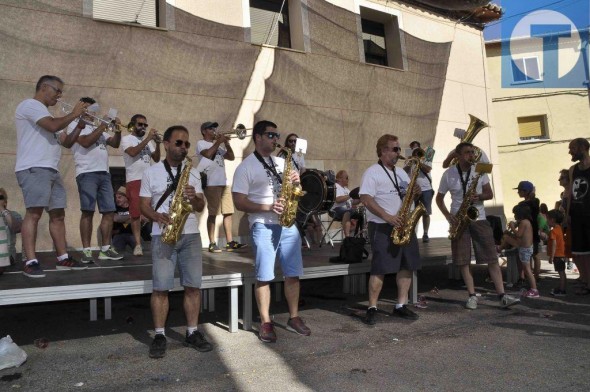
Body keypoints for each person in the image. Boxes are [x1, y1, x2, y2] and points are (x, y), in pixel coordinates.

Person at [232, 120, 311, 342]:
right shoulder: (245, 167)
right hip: (263, 224)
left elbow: (296, 191)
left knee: (293, 273)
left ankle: (294, 317)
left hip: (286, 224)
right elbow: (239, 202)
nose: (275, 139)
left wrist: (296, 182)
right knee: (264, 275)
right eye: (270, 135)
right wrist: (268, 207)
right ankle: (266, 321)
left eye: (277, 135)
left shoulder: (281, 163)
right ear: (257, 137)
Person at [139, 125, 212, 358]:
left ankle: (192, 332)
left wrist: (195, 198)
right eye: (179, 143)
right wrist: (155, 216)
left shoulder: (192, 172)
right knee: (161, 287)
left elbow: (201, 207)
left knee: (193, 286)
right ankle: (159, 335)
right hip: (163, 234)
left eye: (187, 144)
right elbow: (143, 205)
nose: (183, 147)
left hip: (189, 233)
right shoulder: (152, 172)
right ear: (167, 144)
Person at [15, 75, 90, 278]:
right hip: (34, 167)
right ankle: (30, 260)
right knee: (34, 213)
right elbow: (53, 126)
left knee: (58, 214)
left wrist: (80, 125)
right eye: (58, 91)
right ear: (44, 87)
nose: (60, 95)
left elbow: (66, 142)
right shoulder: (30, 105)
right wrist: (74, 114)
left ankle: (62, 258)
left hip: (51, 169)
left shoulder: (48, 114)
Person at [436, 142, 520, 310]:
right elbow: (439, 198)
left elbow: (490, 193)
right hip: (459, 221)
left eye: (472, 152)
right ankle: (472, 295)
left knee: (491, 257)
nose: (471, 155)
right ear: (458, 156)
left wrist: (479, 196)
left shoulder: (480, 170)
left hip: (479, 218)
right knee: (463, 260)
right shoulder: (449, 174)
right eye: (467, 153)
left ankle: (502, 295)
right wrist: (448, 216)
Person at [359, 134, 421, 325]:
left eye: (399, 149)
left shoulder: (402, 173)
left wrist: (415, 192)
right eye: (395, 149)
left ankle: (401, 305)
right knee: (380, 268)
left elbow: (407, 196)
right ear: (383, 150)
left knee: (406, 266)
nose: (398, 153)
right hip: (383, 225)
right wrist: (388, 217)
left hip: (404, 225)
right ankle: (372, 307)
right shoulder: (372, 172)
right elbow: (366, 199)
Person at [65, 98, 123, 263]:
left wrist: (117, 130)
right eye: (89, 109)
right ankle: (87, 251)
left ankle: (105, 249)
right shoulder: (75, 125)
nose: (92, 113)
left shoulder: (98, 128)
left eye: (93, 110)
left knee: (109, 211)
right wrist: (104, 124)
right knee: (88, 211)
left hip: (104, 173)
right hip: (87, 173)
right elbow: (85, 142)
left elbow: (115, 143)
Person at [197, 121, 246, 253]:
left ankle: (230, 242)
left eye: (215, 128)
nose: (214, 130)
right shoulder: (201, 144)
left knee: (228, 212)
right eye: (211, 128)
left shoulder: (218, 146)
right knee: (213, 213)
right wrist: (218, 142)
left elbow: (231, 157)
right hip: (211, 183)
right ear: (204, 131)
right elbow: (207, 154)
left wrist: (226, 143)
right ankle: (212, 242)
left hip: (223, 182)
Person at [120, 114, 161, 256]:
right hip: (134, 179)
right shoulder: (126, 139)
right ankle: (138, 245)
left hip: (149, 179)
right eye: (140, 124)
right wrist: (149, 138)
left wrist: (158, 143)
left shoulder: (148, 141)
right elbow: (132, 152)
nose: (143, 127)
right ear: (133, 125)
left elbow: (156, 158)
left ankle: (158, 240)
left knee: (154, 211)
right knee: (136, 214)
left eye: (145, 125)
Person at [567, 137, 590, 295]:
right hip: (576, 215)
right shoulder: (572, 170)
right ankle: (586, 281)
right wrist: (568, 213)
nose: (570, 151)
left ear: (583, 148)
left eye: (572, 148)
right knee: (580, 252)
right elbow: (570, 194)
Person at [500, 204, 539, 298]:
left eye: (515, 214)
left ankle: (534, 290)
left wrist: (513, 227)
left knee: (527, 270)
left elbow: (519, 235)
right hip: (524, 247)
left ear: (519, 214)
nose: (514, 216)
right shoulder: (527, 222)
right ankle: (532, 288)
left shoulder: (524, 223)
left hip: (525, 249)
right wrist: (510, 232)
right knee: (506, 236)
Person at [405, 141, 434, 242]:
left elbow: (428, 169)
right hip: (413, 189)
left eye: (417, 149)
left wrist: (419, 161)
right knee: (413, 212)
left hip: (426, 189)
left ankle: (425, 233)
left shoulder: (426, 157)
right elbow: (404, 171)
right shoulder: (409, 159)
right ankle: (412, 233)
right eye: (413, 149)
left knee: (426, 212)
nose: (415, 151)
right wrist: (410, 161)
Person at [514, 181, 542, 280]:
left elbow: (533, 202)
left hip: (533, 230)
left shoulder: (534, 201)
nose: (518, 193)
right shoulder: (522, 203)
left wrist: (532, 193)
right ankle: (527, 276)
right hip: (529, 230)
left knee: (535, 254)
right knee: (528, 254)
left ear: (525, 191)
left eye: (520, 190)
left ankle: (536, 276)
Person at [331, 170, 362, 238]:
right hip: (336, 209)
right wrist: (350, 195)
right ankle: (347, 237)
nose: (348, 179)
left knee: (361, 216)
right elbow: (338, 200)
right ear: (340, 179)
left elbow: (353, 202)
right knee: (347, 212)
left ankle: (356, 236)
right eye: (346, 177)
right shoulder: (336, 186)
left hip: (347, 209)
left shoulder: (346, 189)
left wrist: (361, 198)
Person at [0, 188, 23, 265]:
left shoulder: (14, 215)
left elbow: (17, 228)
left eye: (0, 198)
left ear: (5, 202)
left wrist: (3, 210)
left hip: (7, 255)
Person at [547, 209, 567, 296]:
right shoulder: (559, 228)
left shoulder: (553, 231)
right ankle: (562, 287)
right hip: (561, 254)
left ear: (552, 220)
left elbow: (554, 244)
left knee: (561, 273)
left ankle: (562, 290)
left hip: (557, 255)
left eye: (548, 219)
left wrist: (551, 256)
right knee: (562, 272)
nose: (547, 221)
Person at [112, 186, 135, 253]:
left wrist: (123, 219)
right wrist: (131, 217)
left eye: (119, 197)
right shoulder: (114, 208)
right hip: (118, 234)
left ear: (126, 198)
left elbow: (143, 219)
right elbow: (116, 218)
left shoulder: (133, 207)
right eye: (116, 198)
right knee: (117, 251)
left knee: (139, 249)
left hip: (132, 234)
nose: (117, 199)